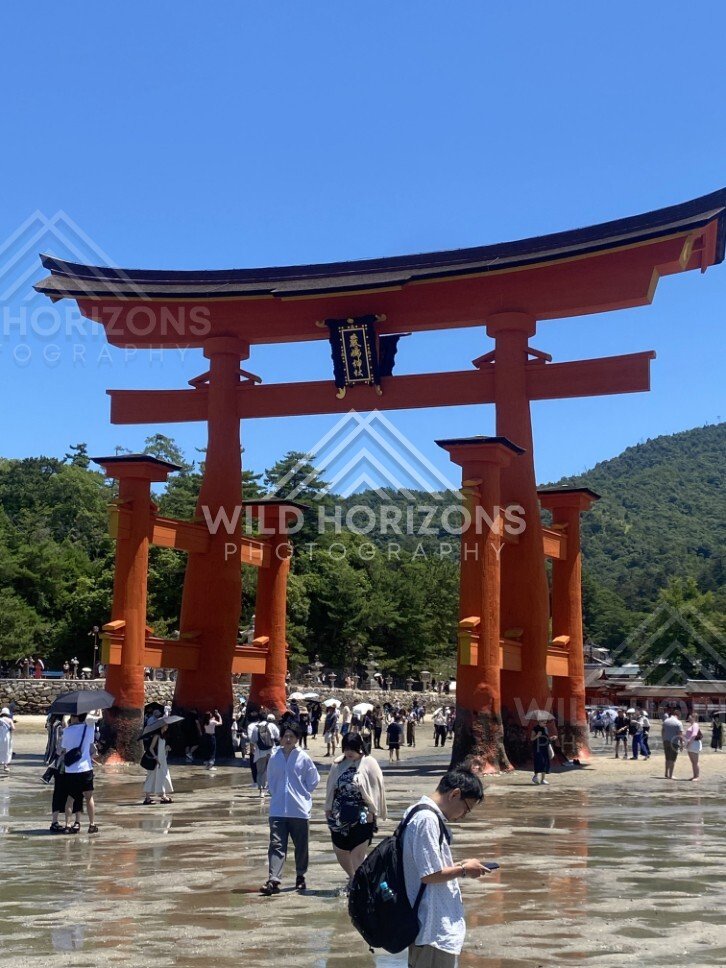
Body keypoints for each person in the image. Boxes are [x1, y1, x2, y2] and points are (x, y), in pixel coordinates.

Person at [402, 768, 492, 967]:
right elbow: (430, 874)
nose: (463, 816)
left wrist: (461, 864)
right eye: (467, 809)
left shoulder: (419, 812)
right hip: (431, 927)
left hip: (429, 926)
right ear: (455, 794)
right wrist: (464, 870)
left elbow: (427, 867)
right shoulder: (427, 819)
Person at [260, 722, 320, 896]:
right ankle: (274, 880)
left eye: (291, 737)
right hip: (277, 809)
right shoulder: (275, 756)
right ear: (280, 738)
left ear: (297, 739)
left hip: (299, 810)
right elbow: (270, 779)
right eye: (285, 736)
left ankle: (300, 876)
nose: (287, 739)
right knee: (276, 845)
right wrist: (275, 793)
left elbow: (313, 780)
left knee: (301, 846)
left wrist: (302, 795)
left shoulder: (304, 757)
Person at [325, 733, 387, 892]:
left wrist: (375, 810)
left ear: (360, 747)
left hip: (363, 815)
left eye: (352, 749)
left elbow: (377, 787)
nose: (349, 752)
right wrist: (328, 808)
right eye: (346, 749)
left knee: (357, 855)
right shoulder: (338, 764)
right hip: (339, 815)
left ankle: (362, 888)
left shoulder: (369, 763)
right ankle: (354, 878)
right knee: (340, 850)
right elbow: (330, 787)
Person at [60, 713, 98, 834]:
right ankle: (92, 824)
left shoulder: (67, 731)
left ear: (75, 717)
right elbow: (91, 743)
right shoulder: (89, 728)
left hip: (71, 769)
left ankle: (67, 824)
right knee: (89, 798)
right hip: (86, 767)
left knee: (70, 798)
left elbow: (64, 748)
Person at [143, 722, 174, 804]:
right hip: (156, 761)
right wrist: (155, 757)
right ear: (161, 726)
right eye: (166, 725)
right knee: (151, 777)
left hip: (163, 760)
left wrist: (167, 748)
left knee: (163, 776)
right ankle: (147, 798)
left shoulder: (163, 736)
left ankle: (163, 795)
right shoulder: (156, 736)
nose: (167, 726)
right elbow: (151, 748)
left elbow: (161, 749)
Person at [251, 713, 280, 795]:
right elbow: (278, 736)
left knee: (260, 772)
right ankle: (271, 789)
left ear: (259, 719)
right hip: (271, 751)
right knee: (272, 770)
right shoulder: (272, 725)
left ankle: (261, 791)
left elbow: (253, 740)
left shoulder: (256, 728)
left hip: (259, 752)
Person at [661, 707, 683, 780]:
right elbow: (680, 735)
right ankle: (671, 775)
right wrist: (682, 744)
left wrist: (663, 739)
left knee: (667, 758)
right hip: (674, 742)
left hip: (666, 741)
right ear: (678, 715)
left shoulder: (666, 721)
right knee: (672, 759)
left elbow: (662, 731)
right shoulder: (678, 723)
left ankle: (666, 773)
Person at [683, 712, 703, 782]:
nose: (689, 717)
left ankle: (697, 776)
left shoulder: (695, 725)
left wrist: (689, 743)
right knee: (693, 762)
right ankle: (694, 775)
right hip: (691, 744)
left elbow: (694, 735)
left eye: (690, 716)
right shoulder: (692, 725)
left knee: (695, 761)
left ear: (694, 717)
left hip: (694, 744)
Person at [0, 707, 15, 774]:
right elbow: (13, 728)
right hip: (7, 737)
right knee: (7, 750)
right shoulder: (9, 720)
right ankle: (5, 766)